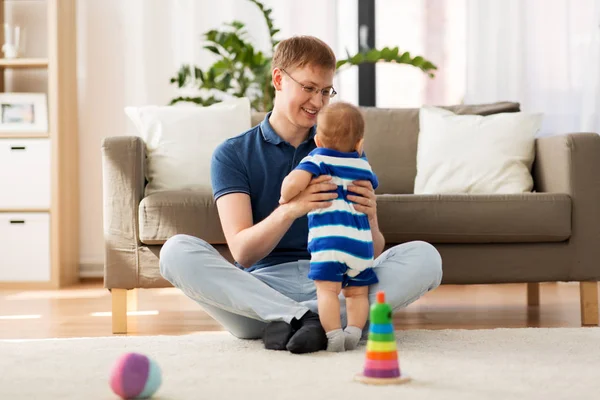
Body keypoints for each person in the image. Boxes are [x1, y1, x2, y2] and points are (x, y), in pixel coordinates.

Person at [159, 35, 443, 354]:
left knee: (425, 257)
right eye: (308, 88)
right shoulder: (233, 153)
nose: (318, 102)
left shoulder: (343, 151)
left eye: (325, 91)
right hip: (259, 294)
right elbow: (243, 253)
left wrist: (371, 218)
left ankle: (301, 322)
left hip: (334, 283)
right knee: (175, 251)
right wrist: (292, 209)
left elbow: (371, 251)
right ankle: (308, 319)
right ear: (279, 79)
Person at [278, 101, 379, 352]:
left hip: (329, 245)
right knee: (357, 294)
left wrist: (285, 198)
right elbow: (371, 189)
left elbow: (293, 183)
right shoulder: (362, 164)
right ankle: (354, 331)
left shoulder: (317, 159)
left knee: (328, 293)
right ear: (359, 144)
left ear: (318, 141)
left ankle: (333, 335)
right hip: (360, 247)